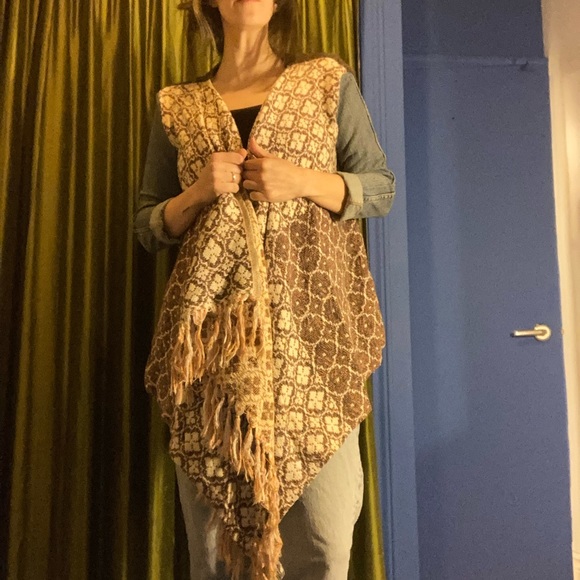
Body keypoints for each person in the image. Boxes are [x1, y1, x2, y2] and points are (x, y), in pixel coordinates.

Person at [134, 1, 396, 578]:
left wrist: (301, 180)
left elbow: (379, 188)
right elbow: (148, 226)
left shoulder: (324, 81)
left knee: (324, 540)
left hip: (313, 342)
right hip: (211, 354)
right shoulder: (178, 105)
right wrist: (197, 192)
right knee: (213, 551)